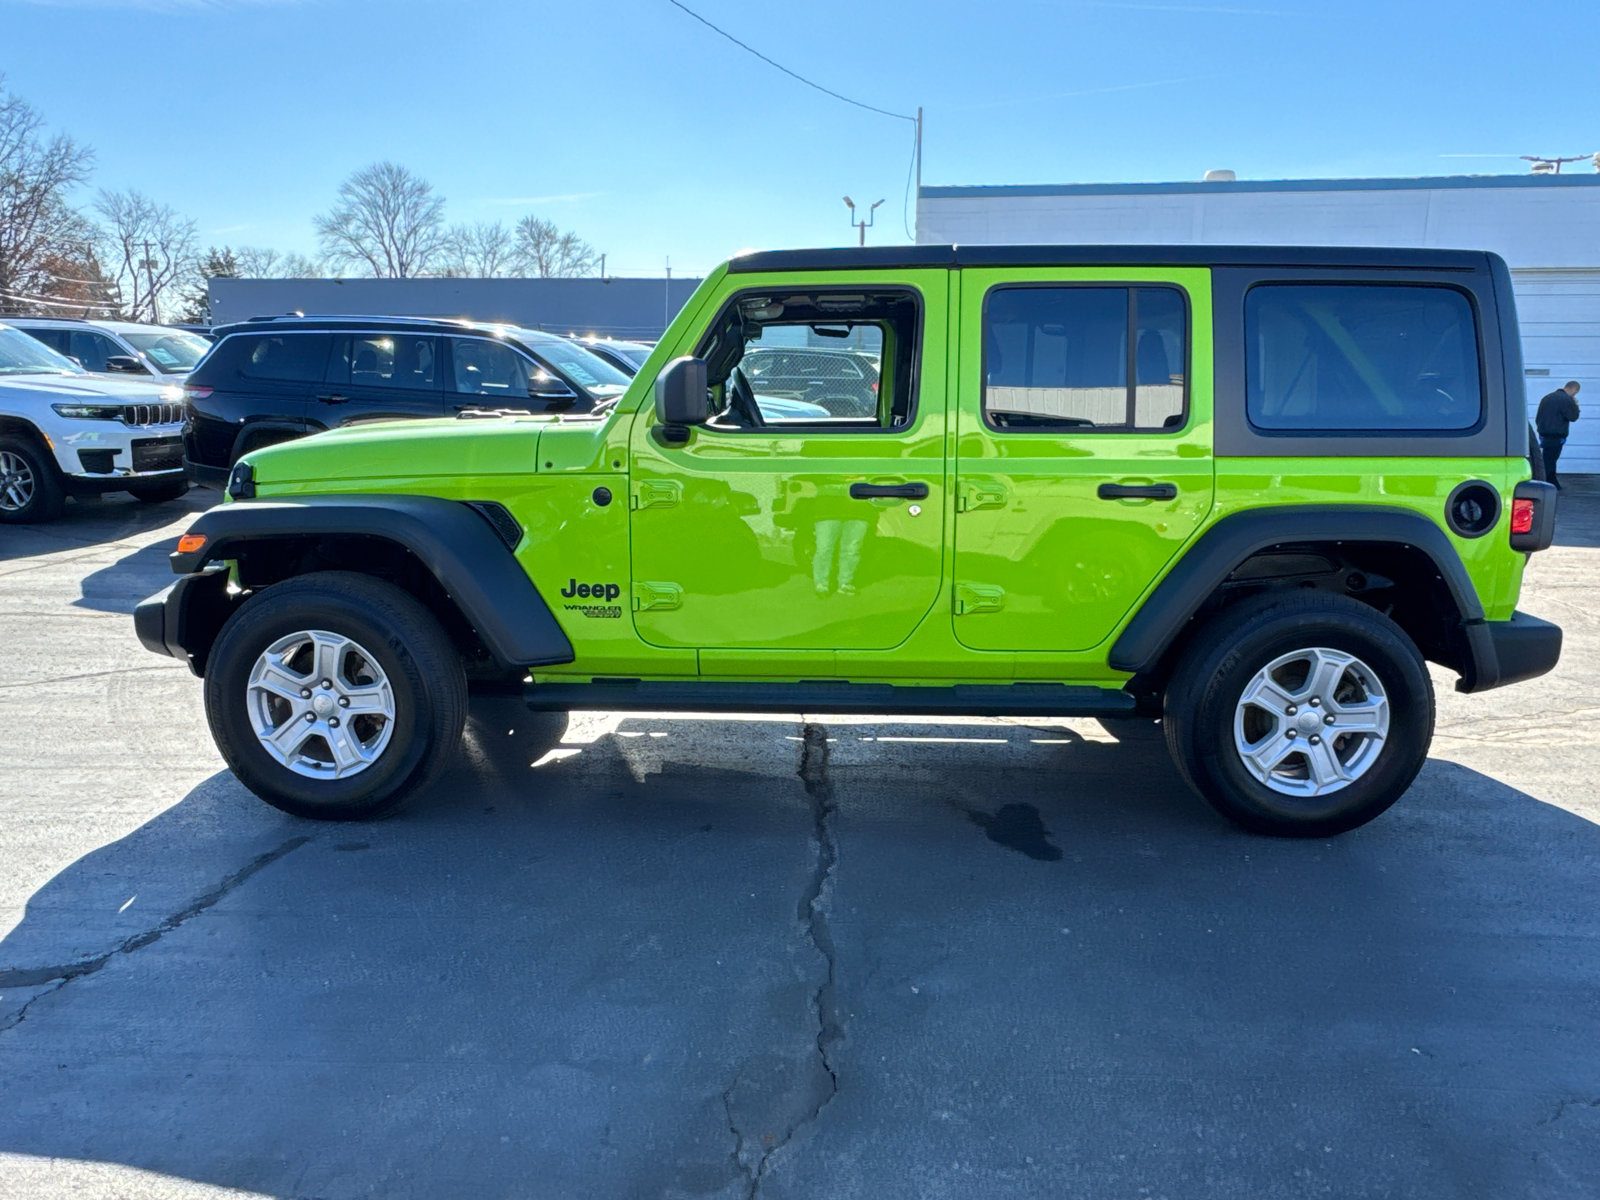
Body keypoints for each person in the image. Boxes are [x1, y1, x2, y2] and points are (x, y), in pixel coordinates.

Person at [1536, 380, 1581, 488]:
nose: (1574, 395)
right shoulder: (1567, 400)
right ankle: (1548, 483)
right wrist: (1575, 405)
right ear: (1574, 389)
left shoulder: (1547, 398)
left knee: (1547, 459)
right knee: (1551, 460)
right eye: (1575, 393)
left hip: (1544, 434)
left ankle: (1548, 481)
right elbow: (1573, 417)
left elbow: (1539, 417)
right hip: (1557, 435)